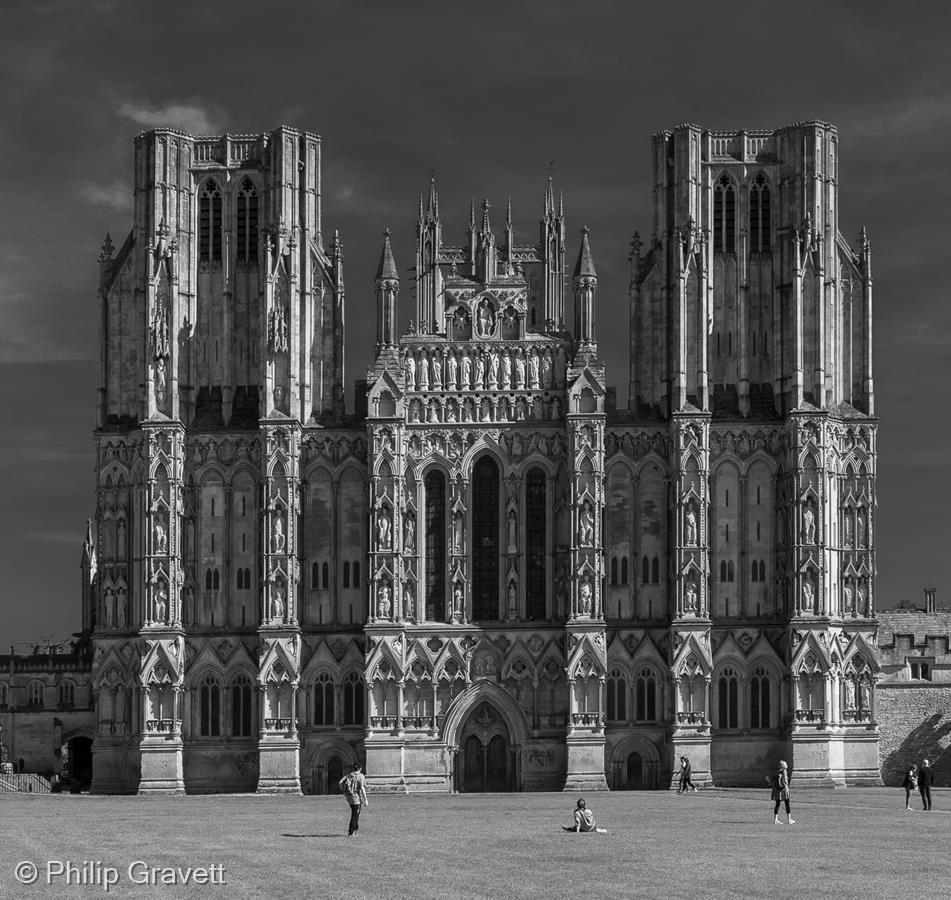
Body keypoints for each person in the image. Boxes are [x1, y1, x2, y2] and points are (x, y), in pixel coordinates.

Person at [339, 763, 369, 836]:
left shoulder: (349, 775)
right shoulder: (361, 776)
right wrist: (365, 799)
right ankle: (351, 832)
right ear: (360, 768)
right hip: (356, 798)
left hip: (349, 797)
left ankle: (355, 830)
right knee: (355, 815)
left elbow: (340, 782)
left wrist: (343, 790)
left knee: (355, 814)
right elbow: (362, 788)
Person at [769, 760, 795, 825]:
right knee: (787, 804)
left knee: (777, 804)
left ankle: (775, 819)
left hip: (777, 790)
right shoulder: (784, 771)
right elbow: (785, 780)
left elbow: (768, 779)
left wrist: (774, 784)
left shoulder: (776, 772)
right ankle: (789, 819)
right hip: (784, 790)